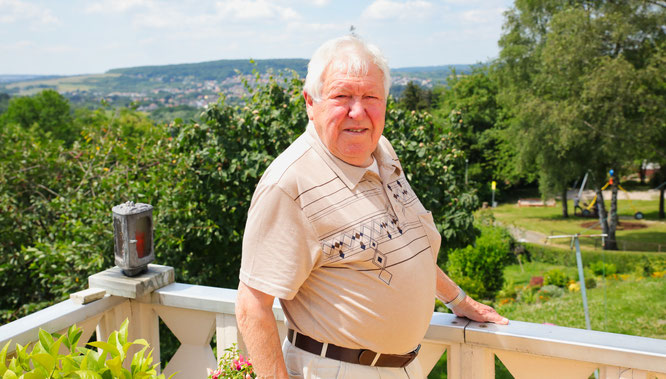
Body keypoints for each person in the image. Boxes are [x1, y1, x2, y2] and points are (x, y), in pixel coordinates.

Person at [236, 35, 508, 379]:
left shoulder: (382, 152)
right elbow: (252, 304)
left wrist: (459, 301)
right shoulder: (290, 184)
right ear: (310, 102)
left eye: (370, 97)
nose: (358, 112)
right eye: (342, 97)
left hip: (405, 366)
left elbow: (398, 244)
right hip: (337, 369)